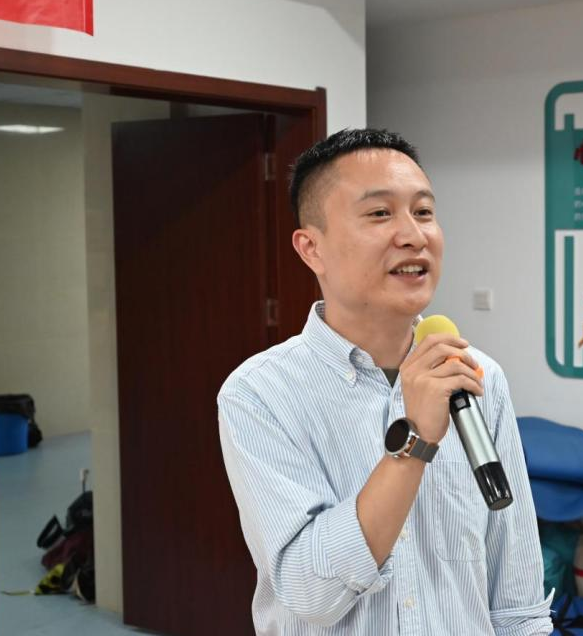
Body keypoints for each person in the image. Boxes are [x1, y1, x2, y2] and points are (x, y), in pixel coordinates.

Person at [217, 129, 551, 635]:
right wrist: (414, 442)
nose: (414, 235)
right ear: (311, 248)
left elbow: (516, 590)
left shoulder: (477, 375)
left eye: (423, 211)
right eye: (379, 213)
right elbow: (311, 593)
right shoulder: (260, 393)